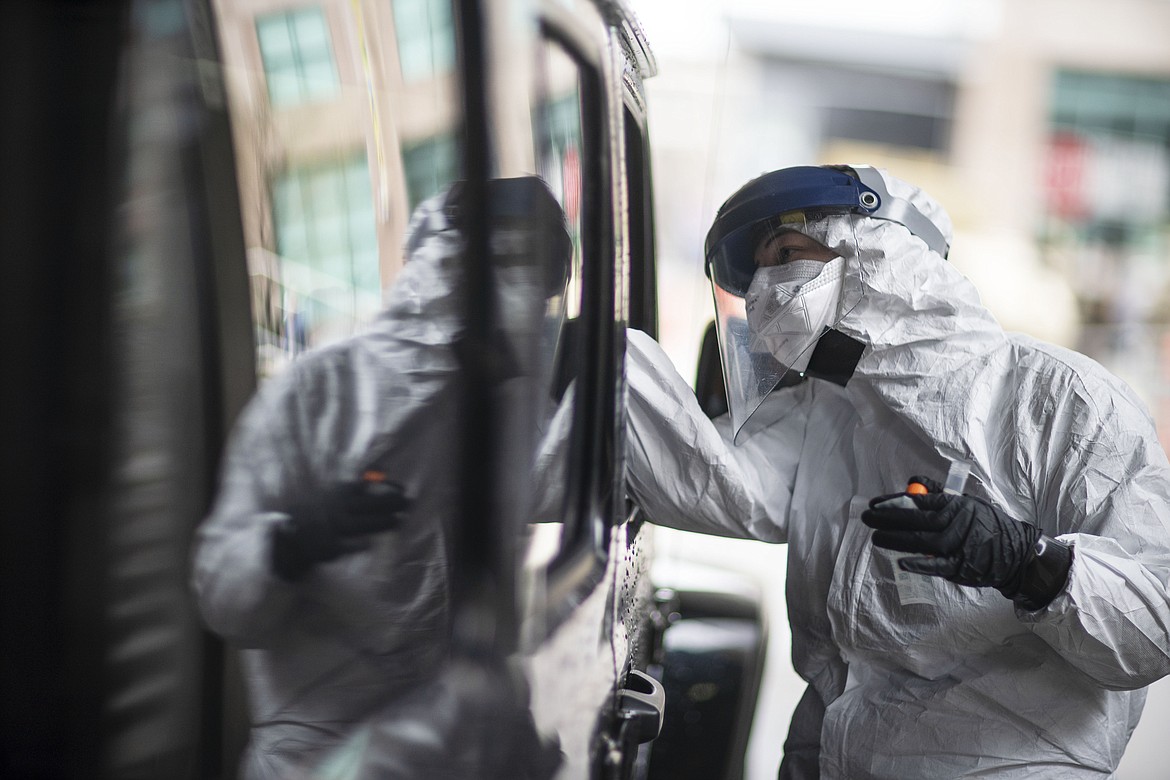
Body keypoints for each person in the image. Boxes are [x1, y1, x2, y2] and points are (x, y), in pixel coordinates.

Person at [625, 164, 1170, 778]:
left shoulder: (1062, 400)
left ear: (877, 248)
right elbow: (714, 484)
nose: (764, 291)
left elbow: (1152, 628)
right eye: (755, 276)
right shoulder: (825, 413)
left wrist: (1031, 565)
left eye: (785, 253)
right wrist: (647, 395)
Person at [191, 177, 571, 779]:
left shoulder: (515, 414)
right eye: (496, 259)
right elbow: (222, 599)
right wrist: (294, 541)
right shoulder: (316, 394)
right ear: (440, 264)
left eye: (533, 271)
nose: (515, 290)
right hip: (315, 758)